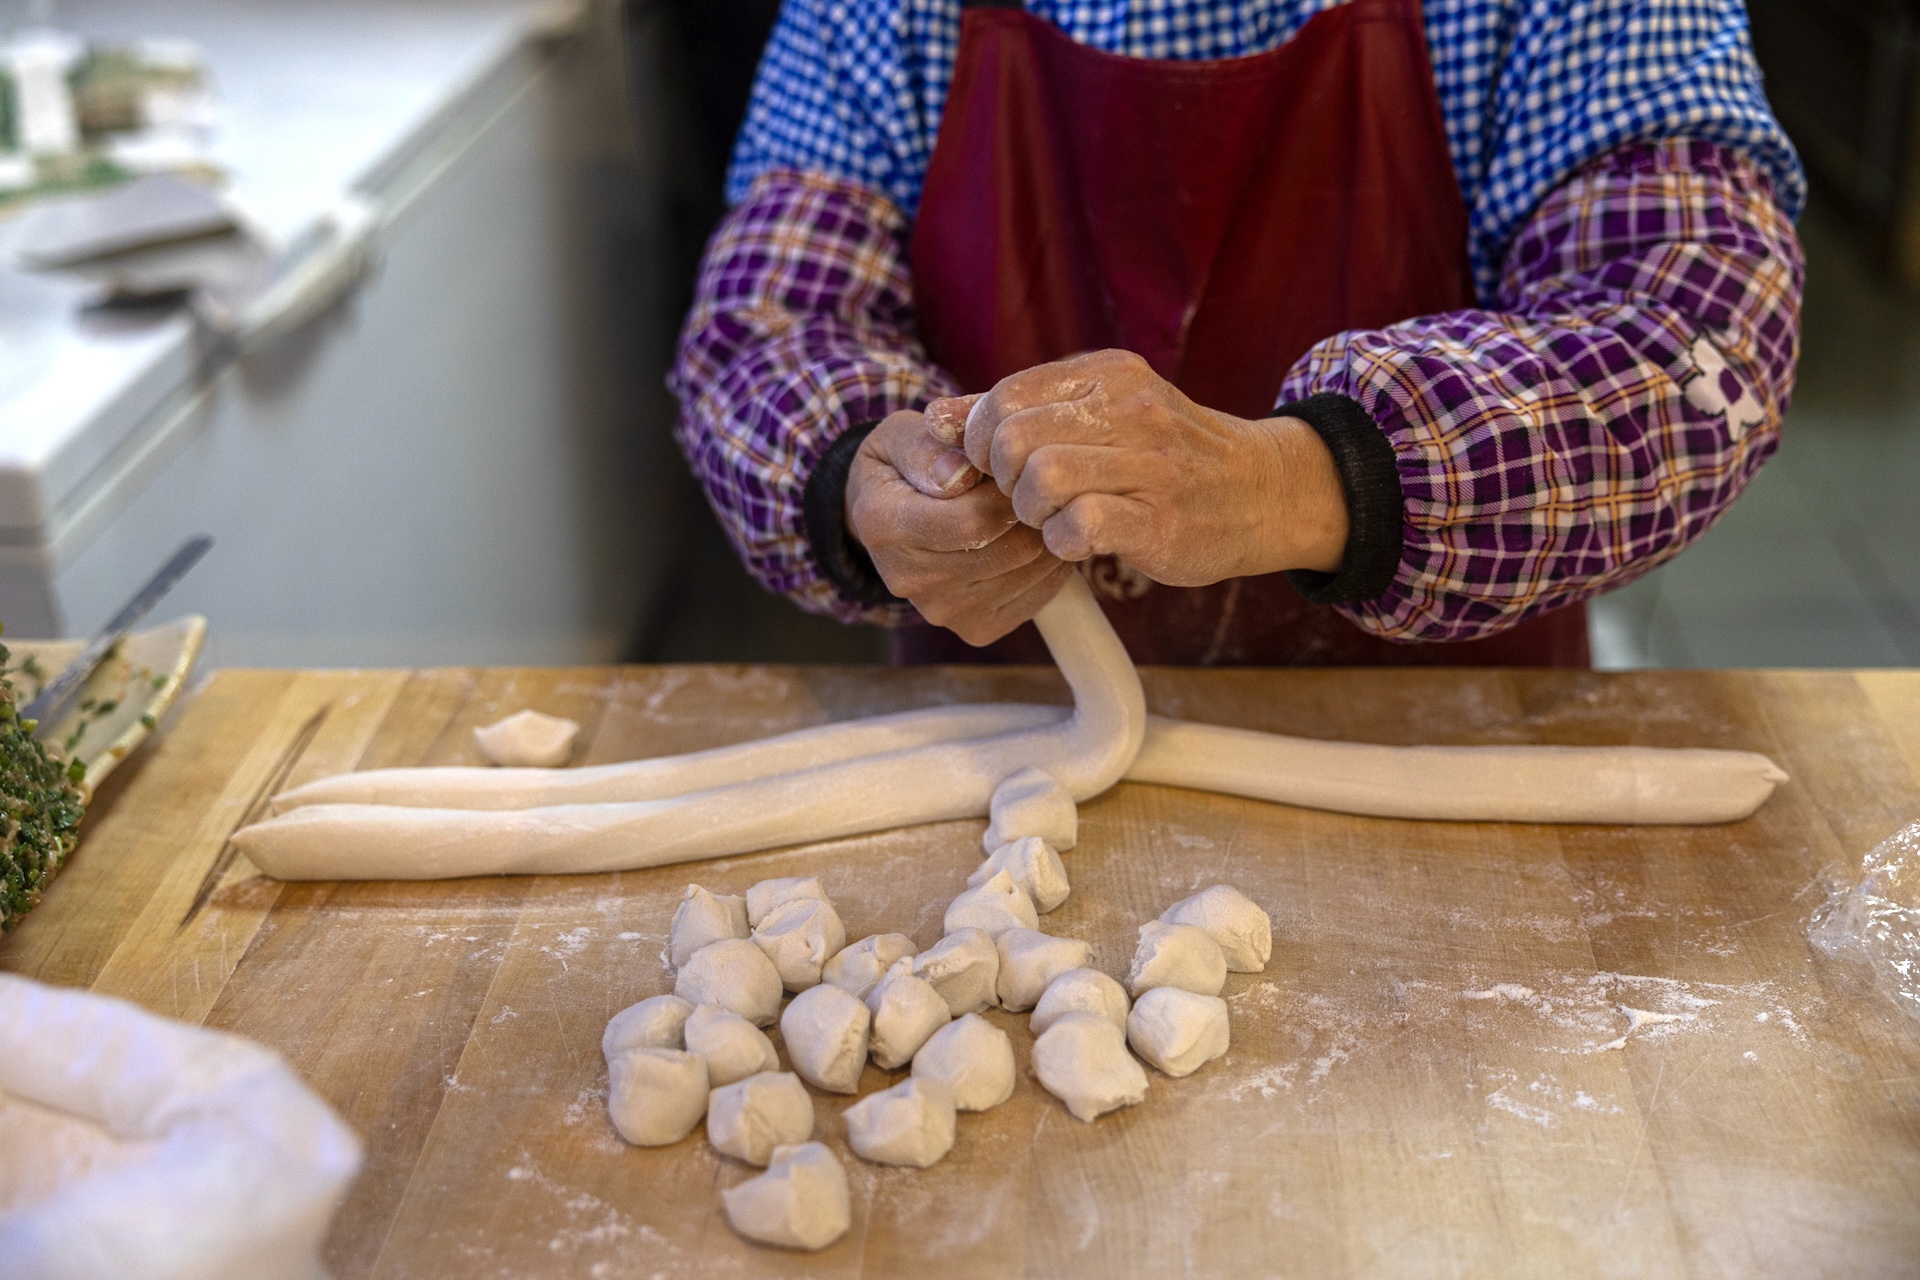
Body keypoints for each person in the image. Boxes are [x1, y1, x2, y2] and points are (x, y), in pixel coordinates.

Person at [668, 0, 1804, 667]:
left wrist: (1291, 484)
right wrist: (869, 478)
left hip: (1451, 735)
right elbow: (769, 325)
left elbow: (1694, 338)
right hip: (997, 751)